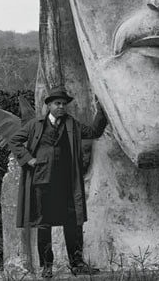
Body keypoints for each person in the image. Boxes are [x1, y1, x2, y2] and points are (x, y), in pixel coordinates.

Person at [9, 86, 107, 278]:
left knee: (72, 223)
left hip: (66, 183)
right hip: (42, 181)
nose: (61, 107)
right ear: (49, 105)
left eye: (64, 104)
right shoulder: (35, 125)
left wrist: (102, 109)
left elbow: (94, 131)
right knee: (44, 224)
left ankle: (77, 264)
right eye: (57, 103)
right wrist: (29, 159)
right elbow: (14, 141)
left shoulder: (72, 124)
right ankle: (47, 266)